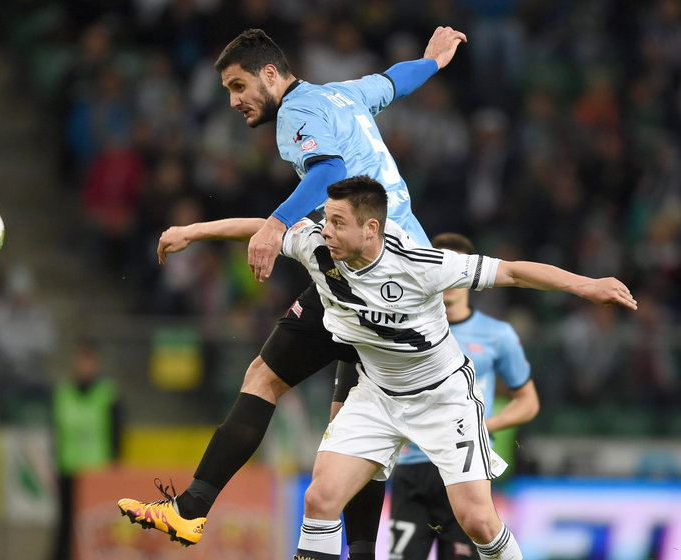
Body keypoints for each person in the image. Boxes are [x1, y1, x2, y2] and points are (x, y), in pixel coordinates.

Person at [118, 26, 467, 556]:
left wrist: (276, 224)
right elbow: (394, 82)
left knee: (265, 379)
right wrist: (434, 62)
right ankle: (365, 549)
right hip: (405, 277)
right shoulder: (344, 94)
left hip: (363, 275)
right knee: (346, 425)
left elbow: (330, 169)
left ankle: (190, 510)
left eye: (238, 87)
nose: (235, 101)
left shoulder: (297, 114)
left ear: (271, 75)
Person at [155, 176, 637, 560]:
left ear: (372, 229)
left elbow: (511, 271)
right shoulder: (317, 247)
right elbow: (266, 227)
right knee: (321, 500)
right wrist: (192, 232)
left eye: (338, 222)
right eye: (326, 219)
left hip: (442, 398)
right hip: (377, 396)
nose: (326, 230)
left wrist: (586, 285)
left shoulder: (422, 265)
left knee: (478, 522)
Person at [387, 232, 540, 560]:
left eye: (457, 269)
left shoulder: (497, 334)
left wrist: (486, 425)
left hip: (465, 467)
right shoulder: (406, 327)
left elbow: (528, 401)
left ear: (470, 275)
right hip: (412, 467)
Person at [52, 340, 123, 560]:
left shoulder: (107, 394)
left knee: (95, 526)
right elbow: (56, 432)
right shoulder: (63, 393)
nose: (84, 366)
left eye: (89, 361)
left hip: (97, 472)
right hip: (69, 468)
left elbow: (116, 433)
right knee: (66, 525)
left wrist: (114, 466)